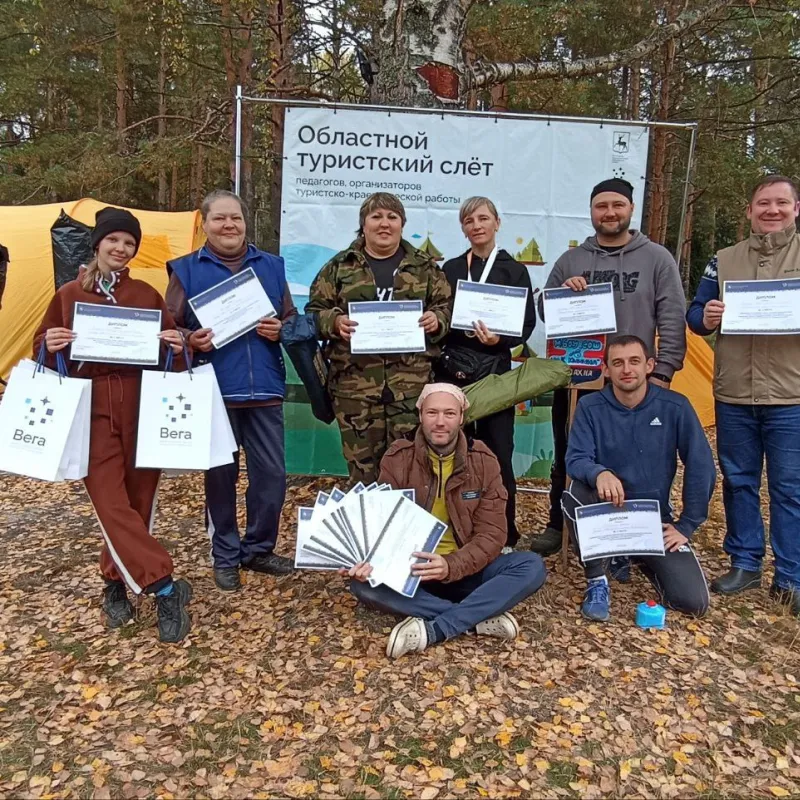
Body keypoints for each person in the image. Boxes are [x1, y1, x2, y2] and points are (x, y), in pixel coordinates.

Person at [33, 207, 193, 643]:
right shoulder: (68, 295)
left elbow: (175, 352)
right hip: (93, 408)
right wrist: (50, 343)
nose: (121, 249)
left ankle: (115, 582)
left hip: (143, 405)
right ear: (98, 244)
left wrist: (174, 344)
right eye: (114, 241)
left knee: (138, 500)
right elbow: (41, 348)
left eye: (129, 243)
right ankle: (164, 585)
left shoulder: (145, 294)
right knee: (109, 501)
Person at [530, 177, 687, 558]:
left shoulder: (656, 258)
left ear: (631, 209)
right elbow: (543, 309)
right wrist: (564, 293)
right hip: (579, 378)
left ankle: (636, 531)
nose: (609, 212)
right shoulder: (572, 260)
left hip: (635, 381)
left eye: (617, 205)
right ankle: (560, 523)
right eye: (601, 206)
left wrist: (663, 371)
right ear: (591, 211)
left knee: (638, 456)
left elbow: (672, 315)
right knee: (569, 453)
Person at [342, 383, 547, 658]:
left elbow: (493, 534)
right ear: (420, 416)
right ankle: (478, 617)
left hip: (467, 567)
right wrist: (365, 560)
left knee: (530, 566)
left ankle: (434, 629)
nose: (440, 422)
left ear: (462, 417)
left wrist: (451, 565)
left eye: (449, 414)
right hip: (412, 570)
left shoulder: (484, 461)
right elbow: (381, 523)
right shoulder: (397, 458)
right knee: (361, 584)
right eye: (432, 413)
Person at [166, 190, 295, 593]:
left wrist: (282, 329)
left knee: (271, 476)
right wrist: (191, 340)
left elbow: (290, 317)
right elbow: (168, 327)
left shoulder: (270, 267)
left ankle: (258, 548)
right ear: (204, 224)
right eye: (220, 219)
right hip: (215, 389)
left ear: (245, 222)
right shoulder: (186, 270)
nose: (229, 226)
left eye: (235, 218)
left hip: (265, 391)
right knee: (220, 478)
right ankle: (225, 554)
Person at [687, 174, 800, 616]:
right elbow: (695, 315)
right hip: (734, 391)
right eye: (763, 204)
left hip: (791, 394)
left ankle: (790, 575)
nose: (772, 211)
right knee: (739, 481)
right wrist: (707, 315)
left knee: (789, 488)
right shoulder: (723, 259)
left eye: (781, 204)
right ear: (750, 211)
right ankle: (746, 561)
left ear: (796, 209)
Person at [562, 335, 715, 621]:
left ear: (649, 365)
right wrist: (600, 472)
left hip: (651, 519)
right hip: (607, 513)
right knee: (575, 491)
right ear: (605, 369)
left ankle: (638, 557)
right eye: (617, 363)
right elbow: (576, 459)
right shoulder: (590, 406)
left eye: (634, 361)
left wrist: (687, 524)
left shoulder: (675, 406)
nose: (626, 369)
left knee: (694, 602)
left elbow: (701, 465)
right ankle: (598, 579)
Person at [306, 192, 452, 485]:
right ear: (363, 224)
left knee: (411, 472)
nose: (384, 224)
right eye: (376, 217)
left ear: (402, 224)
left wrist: (438, 320)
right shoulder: (339, 267)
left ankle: (407, 531)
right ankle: (368, 530)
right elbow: (314, 313)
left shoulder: (425, 268)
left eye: (392, 217)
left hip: (410, 390)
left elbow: (446, 308)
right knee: (362, 476)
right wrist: (334, 322)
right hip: (355, 391)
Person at [439, 197, 536, 548]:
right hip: (453, 372)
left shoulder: (514, 271)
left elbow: (526, 323)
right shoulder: (450, 269)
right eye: (469, 220)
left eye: (483, 218)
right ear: (463, 228)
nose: (476, 225)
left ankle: (504, 534)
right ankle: (453, 529)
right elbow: (437, 315)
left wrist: (501, 337)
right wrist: (453, 329)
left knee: (497, 453)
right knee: (452, 449)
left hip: (495, 372)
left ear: (497, 222)